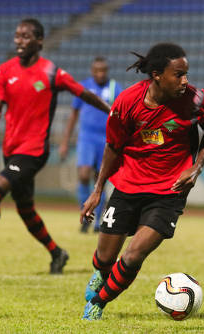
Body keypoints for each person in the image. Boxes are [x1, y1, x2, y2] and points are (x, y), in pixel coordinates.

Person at [80, 42, 204, 320]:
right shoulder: (127, 103)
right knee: (105, 258)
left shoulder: (196, 100)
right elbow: (113, 147)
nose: (185, 81)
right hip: (128, 186)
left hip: (169, 191)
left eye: (186, 73)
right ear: (156, 74)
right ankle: (101, 274)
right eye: (178, 74)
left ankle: (98, 303)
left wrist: (196, 168)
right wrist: (97, 191)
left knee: (133, 255)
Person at [0, 18, 111, 275]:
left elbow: (82, 93)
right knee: (25, 209)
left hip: (34, 151)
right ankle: (57, 253)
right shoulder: (3, 72)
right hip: (11, 149)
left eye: (25, 36)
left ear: (39, 41)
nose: (19, 40)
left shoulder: (52, 73)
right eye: (17, 36)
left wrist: (111, 111)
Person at [59, 57, 123, 233]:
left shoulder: (114, 88)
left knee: (99, 180)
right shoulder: (84, 87)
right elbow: (73, 115)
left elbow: (120, 114)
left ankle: (96, 222)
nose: (100, 74)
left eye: (103, 70)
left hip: (105, 139)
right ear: (92, 71)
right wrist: (65, 142)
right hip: (86, 138)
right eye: (97, 70)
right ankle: (85, 214)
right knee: (84, 175)